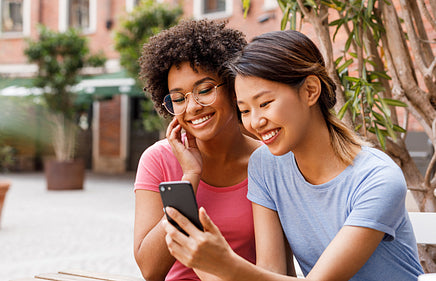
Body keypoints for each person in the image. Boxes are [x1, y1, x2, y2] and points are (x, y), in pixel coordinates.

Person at [162, 30, 425, 281]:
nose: (255, 122)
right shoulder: (266, 166)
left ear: (310, 90)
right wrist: (201, 256)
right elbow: (272, 271)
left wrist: (226, 264)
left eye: (264, 104)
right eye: (244, 110)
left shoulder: (377, 178)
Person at [134, 20, 293, 281]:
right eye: (178, 98)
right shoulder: (158, 159)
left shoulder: (269, 158)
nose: (193, 106)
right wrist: (190, 177)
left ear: (233, 88)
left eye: (205, 90)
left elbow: (277, 268)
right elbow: (150, 270)